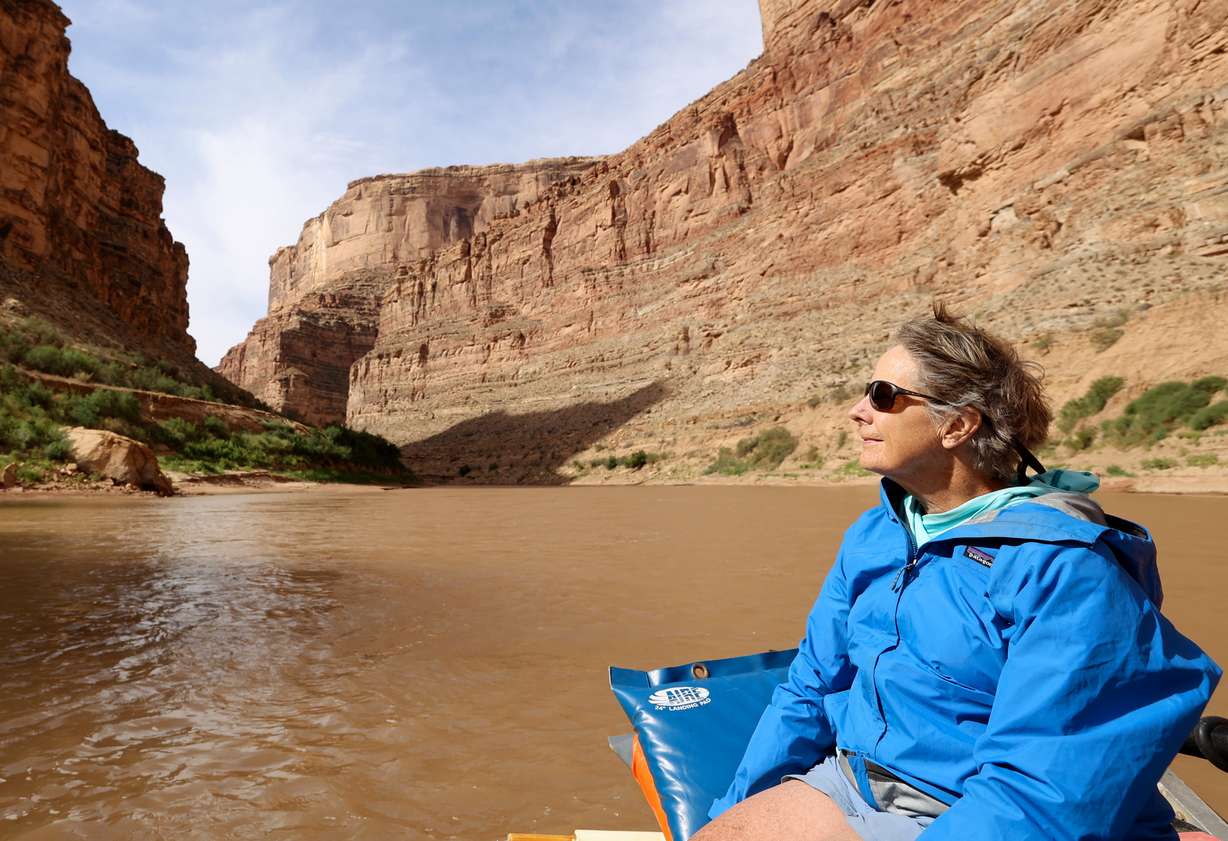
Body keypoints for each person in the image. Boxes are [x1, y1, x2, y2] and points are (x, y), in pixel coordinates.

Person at [694, 305, 1221, 841]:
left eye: (882, 395)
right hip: (858, 783)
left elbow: (1039, 798)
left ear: (958, 425)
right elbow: (812, 685)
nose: (857, 411)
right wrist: (736, 807)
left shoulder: (1064, 571)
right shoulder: (876, 533)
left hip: (969, 811)